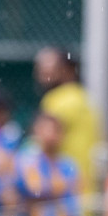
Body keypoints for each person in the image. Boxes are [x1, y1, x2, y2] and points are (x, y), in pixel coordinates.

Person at [34, 47, 99, 198]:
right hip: (84, 190)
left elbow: (43, 141)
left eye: (48, 68)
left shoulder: (58, 100)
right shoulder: (83, 98)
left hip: (62, 194)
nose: (42, 74)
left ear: (67, 69)